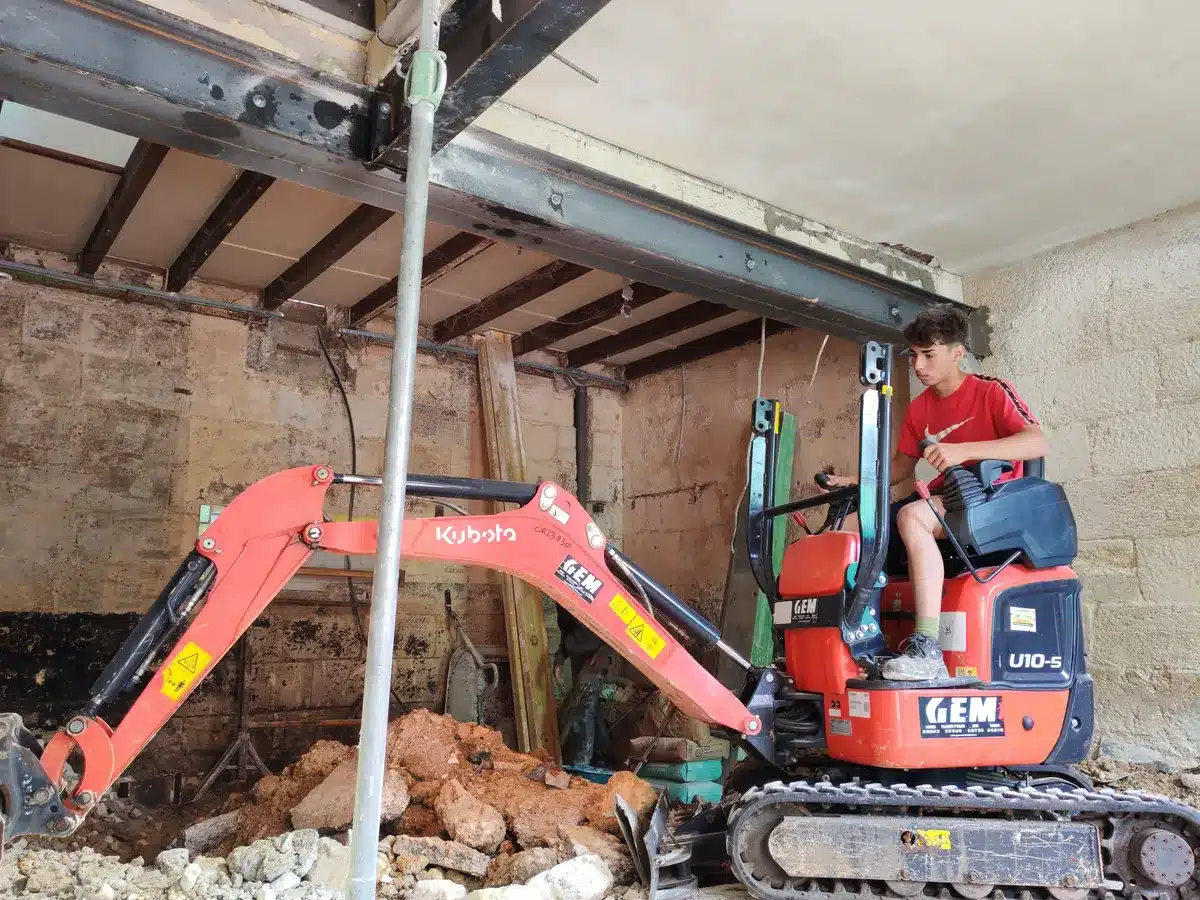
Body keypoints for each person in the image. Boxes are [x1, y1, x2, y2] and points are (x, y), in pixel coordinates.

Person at [825, 305, 1048, 681]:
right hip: (952, 501)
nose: (918, 365)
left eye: (929, 355)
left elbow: (1037, 442)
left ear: (958, 353)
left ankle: (927, 648)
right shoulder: (919, 409)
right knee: (846, 527)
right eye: (914, 355)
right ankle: (851, 640)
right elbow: (900, 469)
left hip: (995, 499)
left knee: (912, 516)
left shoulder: (990, 391)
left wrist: (966, 450)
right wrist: (852, 481)